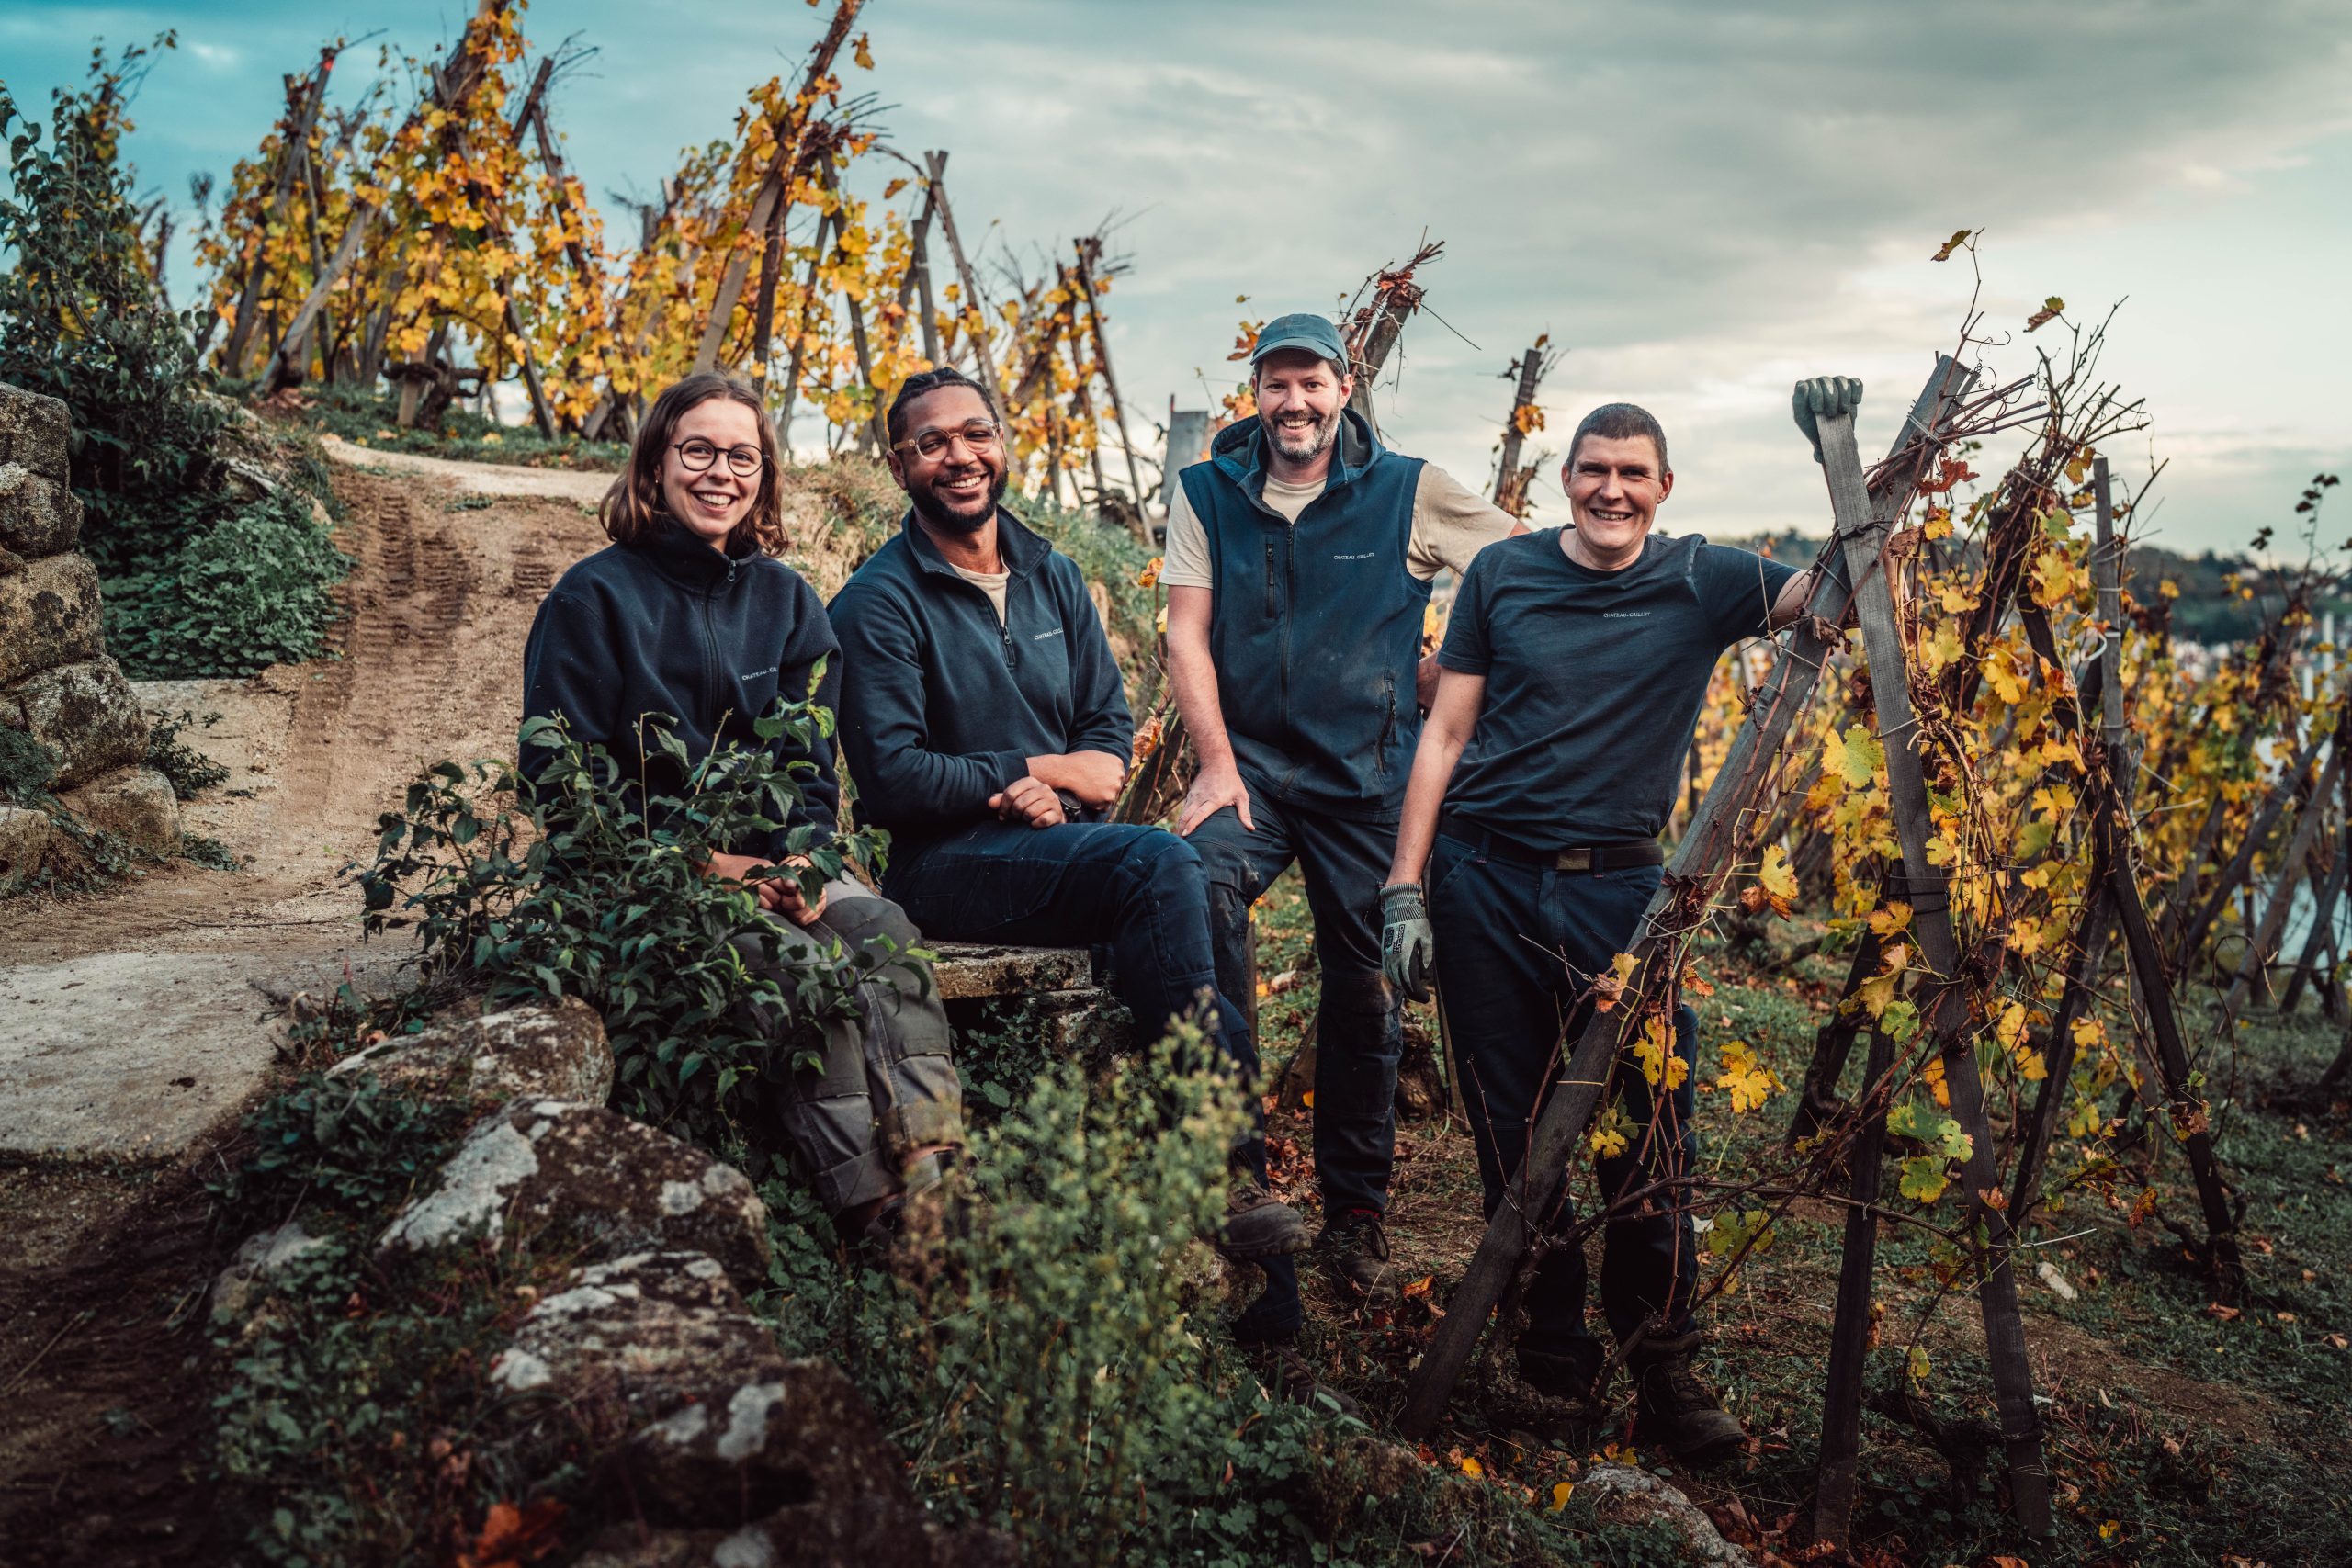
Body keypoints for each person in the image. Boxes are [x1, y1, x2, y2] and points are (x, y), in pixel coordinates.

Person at [1375, 379, 1863, 1462]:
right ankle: (1548, 1346)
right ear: (1565, 482)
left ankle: (1664, 1361)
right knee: (1511, 1118)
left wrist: (1836, 456)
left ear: (1663, 488)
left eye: (1630, 473)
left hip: (1621, 894)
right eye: (1592, 470)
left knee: (1647, 1123)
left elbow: (1840, 595)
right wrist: (1405, 886)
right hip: (1482, 876)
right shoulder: (1503, 573)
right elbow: (1444, 736)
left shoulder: (1704, 577)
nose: (1609, 488)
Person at [828, 367, 1318, 1351]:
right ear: (899, 466)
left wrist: (1057, 775)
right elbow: (891, 780)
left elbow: (1108, 742)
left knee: (1203, 890)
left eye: (976, 434)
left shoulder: (1050, 572)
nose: (958, 457)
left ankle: (1265, 1285)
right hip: (946, 867)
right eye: (932, 443)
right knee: (1160, 866)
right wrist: (1023, 773)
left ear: (1003, 442)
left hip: (1059, 847)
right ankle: (1224, 1169)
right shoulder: (877, 603)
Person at [520, 371, 962, 1243]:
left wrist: (805, 861)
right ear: (654, 465)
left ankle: (937, 1181)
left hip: (775, 869)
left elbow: (808, 773)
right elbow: (562, 786)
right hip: (649, 878)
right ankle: (871, 1208)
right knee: (794, 968)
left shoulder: (788, 602)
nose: (720, 472)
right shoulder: (592, 599)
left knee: (884, 935)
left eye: (742, 456)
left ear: (763, 476)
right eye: (698, 451)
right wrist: (705, 864)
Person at [1165, 311, 1527, 1303]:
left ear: (1344, 384)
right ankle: (1235, 1169)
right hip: (1252, 774)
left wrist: (1447, 670)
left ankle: (1355, 1216)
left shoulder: (1410, 490)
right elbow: (1185, 633)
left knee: (1362, 987)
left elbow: (1523, 572)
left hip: (1370, 781)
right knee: (1193, 894)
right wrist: (1212, 763)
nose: (1293, 401)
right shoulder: (1206, 491)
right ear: (1256, 393)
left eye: (1311, 383)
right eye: (1275, 384)